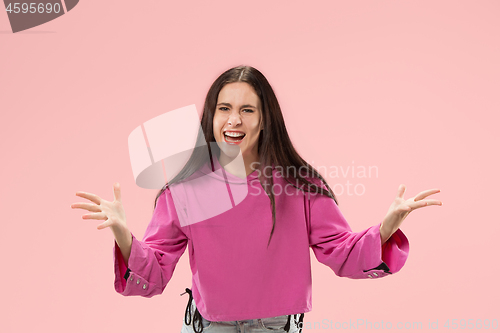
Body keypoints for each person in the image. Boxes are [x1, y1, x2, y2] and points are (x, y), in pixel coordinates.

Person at [71, 65, 442, 333]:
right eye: (224, 108)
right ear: (211, 117)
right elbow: (153, 275)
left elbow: (343, 253)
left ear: (265, 120)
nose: (235, 120)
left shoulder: (299, 185)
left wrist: (387, 226)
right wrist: (123, 234)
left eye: (247, 110)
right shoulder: (184, 190)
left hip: (277, 329)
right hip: (208, 328)